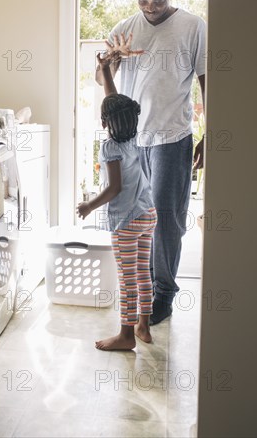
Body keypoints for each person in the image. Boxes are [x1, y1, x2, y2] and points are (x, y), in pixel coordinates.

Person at [96, 0, 206, 325]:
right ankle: (142, 292)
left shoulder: (193, 27)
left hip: (173, 137)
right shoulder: (124, 30)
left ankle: (163, 295)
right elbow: (101, 76)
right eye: (143, 0)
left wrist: (211, 134)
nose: (150, 6)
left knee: (166, 219)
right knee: (136, 217)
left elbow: (207, 81)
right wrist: (110, 60)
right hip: (130, 141)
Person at [76, 50, 157, 351]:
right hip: (148, 215)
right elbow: (118, 104)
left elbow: (115, 188)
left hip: (125, 222)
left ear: (104, 121)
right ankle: (143, 327)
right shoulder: (138, 137)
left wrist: (89, 206)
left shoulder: (111, 147)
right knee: (142, 272)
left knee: (127, 279)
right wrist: (105, 72)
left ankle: (125, 335)